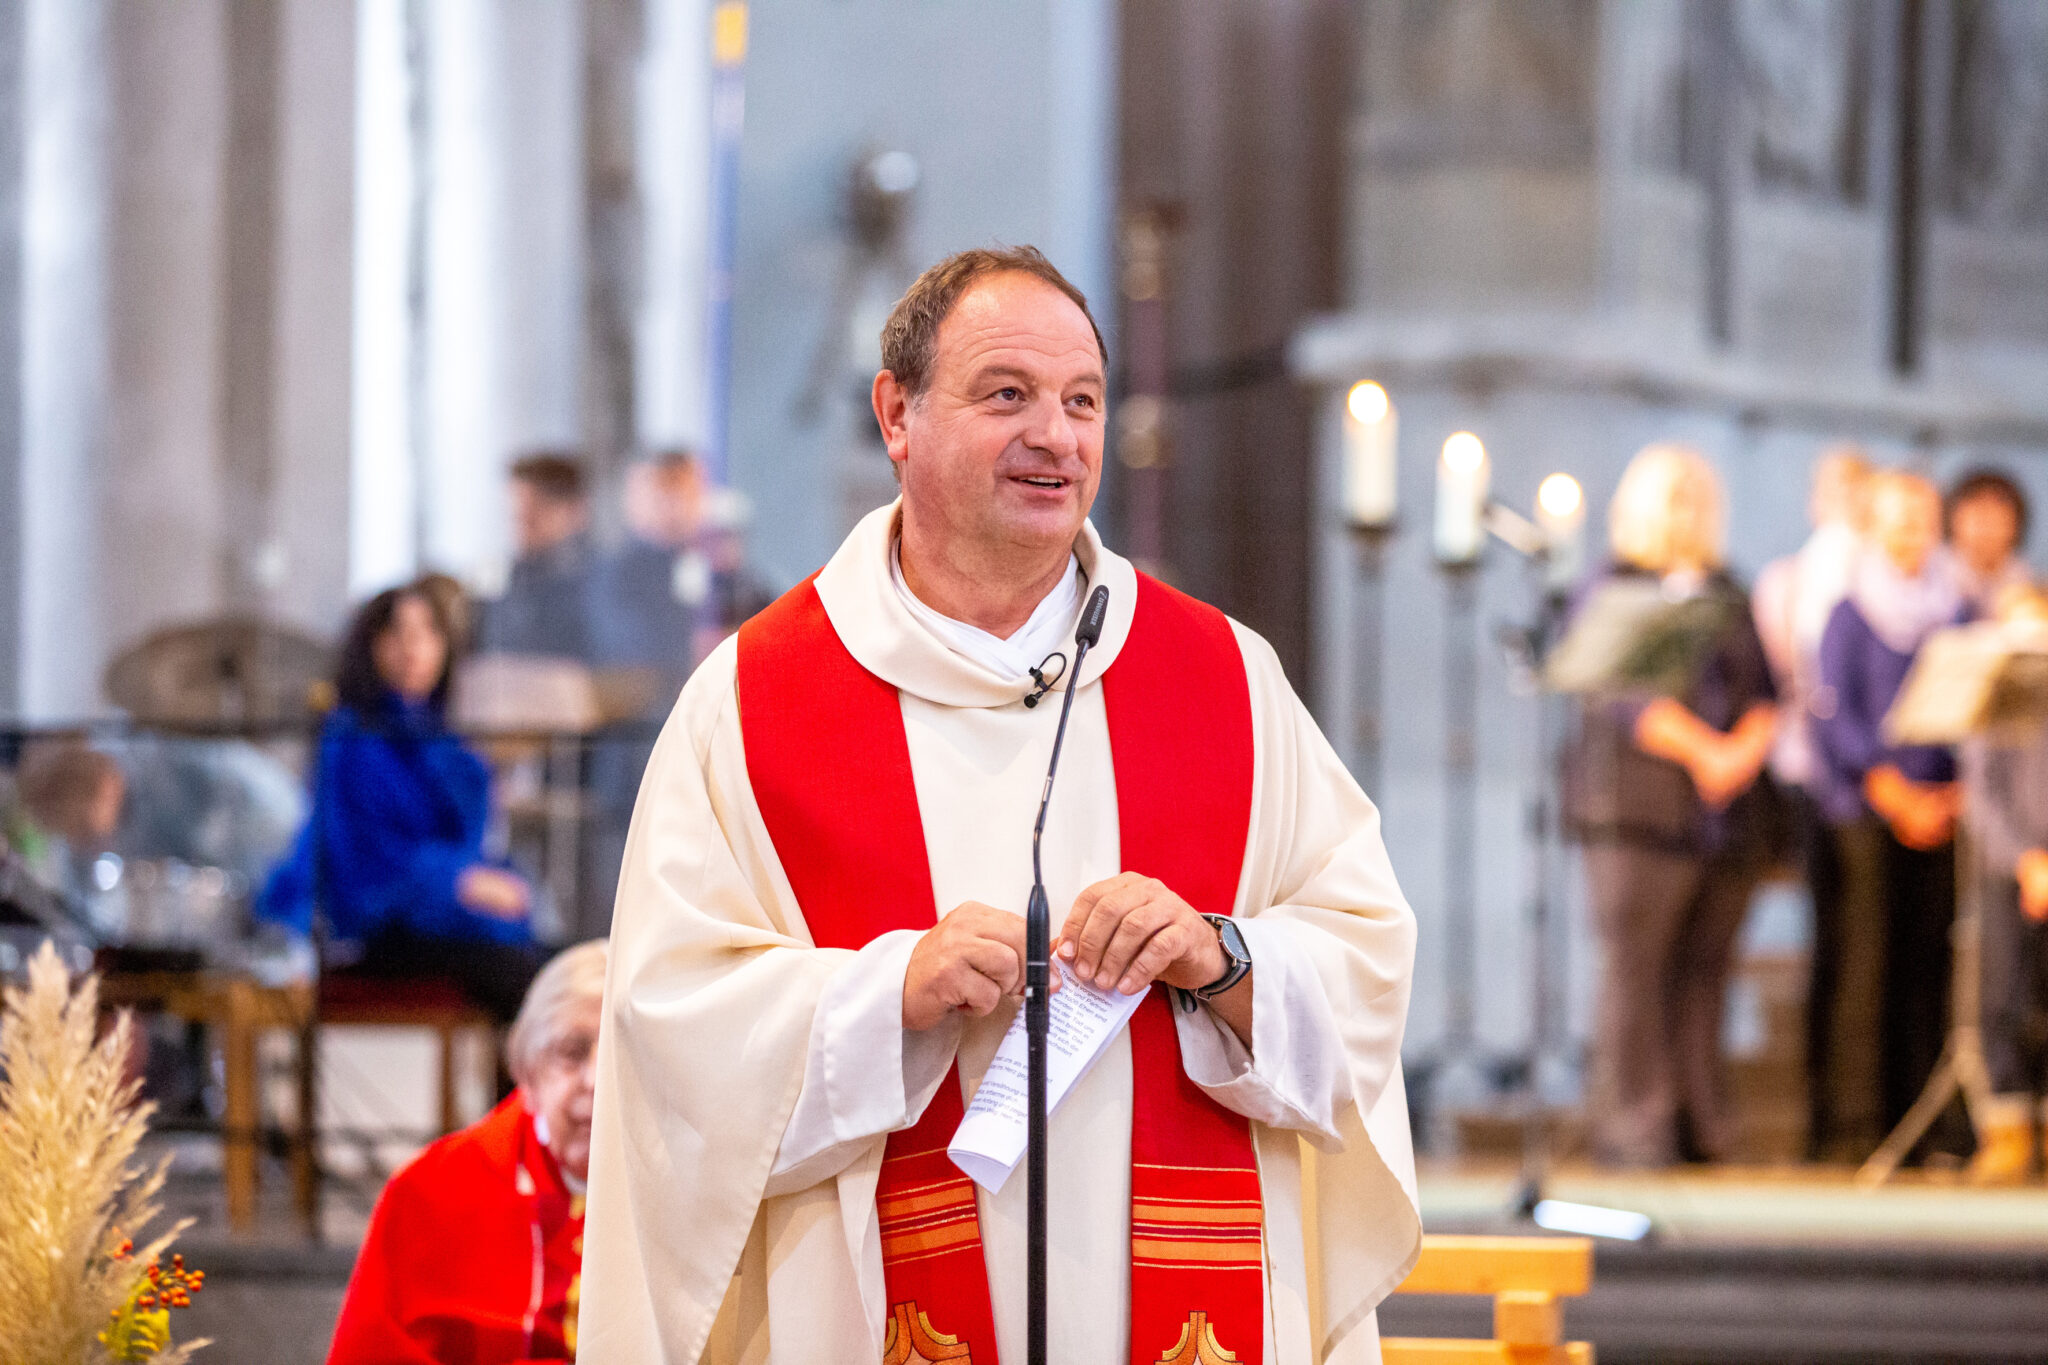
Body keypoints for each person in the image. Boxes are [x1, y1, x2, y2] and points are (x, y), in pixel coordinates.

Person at [581, 247, 1419, 1363]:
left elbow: (1366, 968)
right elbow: (669, 1028)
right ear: (897, 415)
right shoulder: (752, 702)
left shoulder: (1222, 677)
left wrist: (1219, 955)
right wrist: (889, 992)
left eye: (1082, 401)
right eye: (1007, 394)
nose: (1056, 437)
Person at [1562, 444, 1779, 1166]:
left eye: (1697, 498)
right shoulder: (1611, 586)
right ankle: (1636, 1127)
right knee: (1636, 972)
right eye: (1672, 497)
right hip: (1634, 811)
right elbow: (1619, 695)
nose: (1686, 512)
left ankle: (1702, 1125)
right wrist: (1704, 752)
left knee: (1705, 972)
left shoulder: (1727, 588)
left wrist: (1739, 753)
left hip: (1723, 816)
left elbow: (1764, 689)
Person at [258, 581, 545, 1023]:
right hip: (377, 926)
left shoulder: (446, 742)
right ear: (372, 645)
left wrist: (494, 882)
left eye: (428, 632)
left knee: (567, 967)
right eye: (398, 633)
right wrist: (460, 883)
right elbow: (364, 863)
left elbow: (474, 845)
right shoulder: (352, 738)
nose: (414, 648)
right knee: (526, 979)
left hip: (443, 920)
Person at [328, 939, 606, 1364]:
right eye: (571, 1053)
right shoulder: (432, 1191)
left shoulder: (696, 1193)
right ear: (527, 1074)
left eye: (621, 1058)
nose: (597, 1081)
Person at [1810, 470, 1967, 1161]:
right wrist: (1894, 792)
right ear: (1873, 527)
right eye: (1900, 519)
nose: (1913, 533)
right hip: (1866, 813)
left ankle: (1922, 1125)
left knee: (1929, 968)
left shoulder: (1955, 612)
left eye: (1924, 519)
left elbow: (1974, 713)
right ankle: (1856, 1128)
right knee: (1866, 969)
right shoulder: (1850, 612)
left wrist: (1948, 795)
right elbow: (1835, 717)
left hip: (1941, 812)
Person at [1752, 447, 1870, 1161]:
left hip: (1866, 775)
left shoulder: (1884, 579)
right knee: (1835, 941)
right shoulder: (1794, 579)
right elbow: (1788, 681)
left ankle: (1855, 1114)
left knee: (1861, 946)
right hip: (1814, 772)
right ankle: (1828, 1116)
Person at [1957, 586, 2048, 1183]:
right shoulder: (1990, 702)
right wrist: (2027, 861)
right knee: (2003, 996)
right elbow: (1982, 796)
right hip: (2006, 871)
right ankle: (2008, 1128)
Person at [476, 452, 596, 661]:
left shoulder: (602, 584)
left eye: (534, 513)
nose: (521, 526)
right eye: (515, 515)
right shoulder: (501, 580)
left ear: (576, 510)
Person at [1942, 466, 2032, 618]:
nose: (1986, 529)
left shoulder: (2022, 579)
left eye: (1996, 519)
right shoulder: (1933, 571)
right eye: (1978, 518)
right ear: (1954, 520)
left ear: (2015, 525)